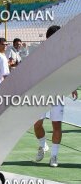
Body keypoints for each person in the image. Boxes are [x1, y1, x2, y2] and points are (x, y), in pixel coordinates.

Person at [33, 25, 78, 167]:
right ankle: (43, 145)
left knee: (56, 125)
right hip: (41, 93)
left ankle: (54, 156)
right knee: (36, 123)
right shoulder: (41, 52)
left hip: (58, 93)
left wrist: (73, 86)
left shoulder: (65, 52)